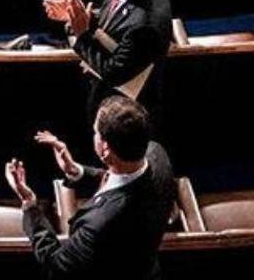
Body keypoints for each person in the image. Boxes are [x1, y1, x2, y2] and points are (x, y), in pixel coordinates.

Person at [10, 96, 175, 280]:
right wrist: (75, 170)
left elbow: (56, 266)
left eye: (96, 132)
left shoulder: (98, 225)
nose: (94, 135)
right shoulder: (157, 156)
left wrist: (30, 206)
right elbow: (123, 177)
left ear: (105, 148)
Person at [44, 0, 171, 119]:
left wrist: (81, 35)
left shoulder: (145, 25)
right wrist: (78, 15)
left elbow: (114, 73)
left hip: (121, 111)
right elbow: (116, 15)